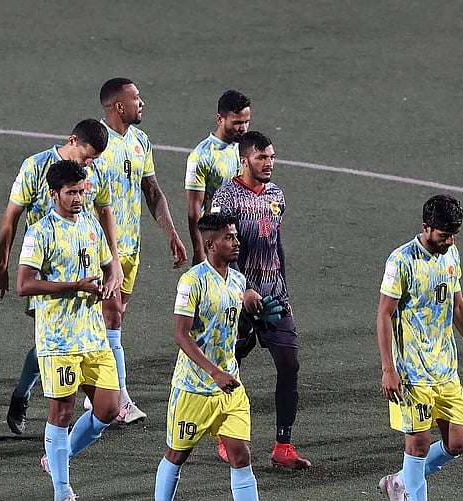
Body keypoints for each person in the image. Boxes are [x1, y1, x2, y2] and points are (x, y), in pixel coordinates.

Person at [0, 119, 123, 435]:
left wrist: (113, 262)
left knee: (71, 338)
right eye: (86, 156)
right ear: (72, 140)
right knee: (50, 340)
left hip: (84, 265)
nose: (89, 164)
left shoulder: (92, 173)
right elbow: (11, 217)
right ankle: (24, 395)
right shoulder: (35, 167)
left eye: (94, 160)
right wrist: (2, 264)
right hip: (44, 269)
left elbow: (104, 214)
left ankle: (99, 397)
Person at [376, 194, 463, 501]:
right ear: (426, 227)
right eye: (444, 235)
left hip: (446, 369)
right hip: (412, 373)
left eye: (453, 234)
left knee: (457, 443)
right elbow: (385, 314)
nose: (449, 240)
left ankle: (398, 482)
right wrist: (388, 369)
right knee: (417, 447)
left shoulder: (451, 254)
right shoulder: (401, 260)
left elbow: (458, 307)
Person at [17, 160, 120, 501]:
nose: (78, 198)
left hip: (93, 335)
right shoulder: (40, 232)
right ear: (53, 194)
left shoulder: (90, 224)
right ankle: (62, 490)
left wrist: (111, 282)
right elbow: (24, 285)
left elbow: (108, 265)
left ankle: (56, 459)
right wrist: (73, 285)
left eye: (81, 191)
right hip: (58, 340)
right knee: (62, 413)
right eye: (71, 193)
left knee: (108, 409)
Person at [210, 131, 311, 468]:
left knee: (289, 364)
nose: (268, 164)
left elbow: (275, 244)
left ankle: (284, 445)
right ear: (244, 160)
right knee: (228, 366)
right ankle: (226, 435)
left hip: (272, 295)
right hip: (238, 297)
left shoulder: (276, 195)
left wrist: (283, 288)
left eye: (271, 157)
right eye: (261, 158)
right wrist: (243, 290)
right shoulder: (226, 198)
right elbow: (223, 249)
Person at [92, 77, 188, 424]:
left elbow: (153, 192)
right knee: (111, 320)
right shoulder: (97, 144)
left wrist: (172, 234)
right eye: (136, 98)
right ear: (118, 106)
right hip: (103, 251)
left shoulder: (140, 141)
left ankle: (95, 393)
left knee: (109, 323)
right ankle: (119, 399)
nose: (141, 102)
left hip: (132, 248)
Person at [154, 213, 262, 501]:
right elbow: (181, 334)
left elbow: (233, 324)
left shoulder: (238, 281)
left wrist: (252, 308)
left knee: (240, 456)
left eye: (236, 235)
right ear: (210, 244)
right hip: (194, 389)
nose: (236, 242)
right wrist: (214, 372)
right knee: (177, 455)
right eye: (229, 237)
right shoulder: (192, 281)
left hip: (230, 388)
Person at [185, 90, 251, 266]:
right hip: (220, 240)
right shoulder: (201, 156)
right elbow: (194, 210)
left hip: (247, 235)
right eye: (237, 123)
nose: (243, 128)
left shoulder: (246, 148)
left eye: (246, 122)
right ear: (220, 119)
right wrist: (199, 250)